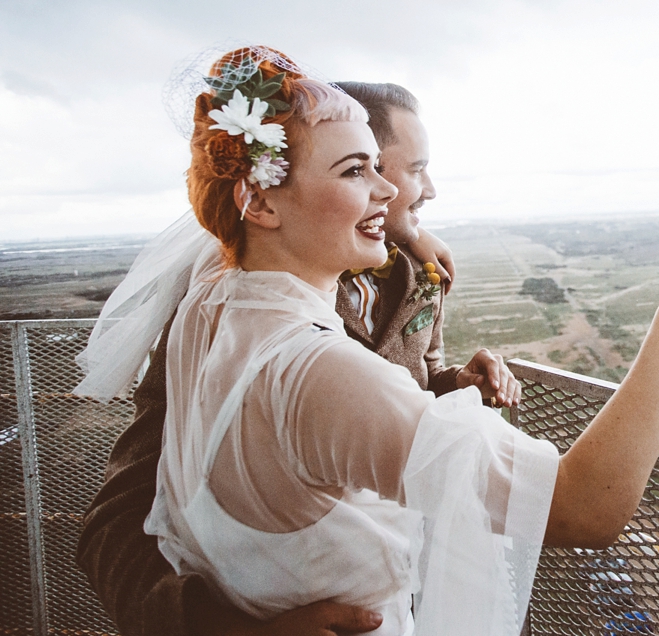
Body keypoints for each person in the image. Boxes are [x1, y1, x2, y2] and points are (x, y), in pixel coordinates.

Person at [76, 46, 659, 636]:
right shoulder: (315, 366)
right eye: (356, 170)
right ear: (257, 202)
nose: (397, 191)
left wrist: (432, 351)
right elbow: (585, 506)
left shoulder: (214, 291)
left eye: (384, 167)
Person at [76, 79, 515, 636]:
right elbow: (116, 520)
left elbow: (415, 383)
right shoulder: (229, 306)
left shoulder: (421, 279)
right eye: (411, 169)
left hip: (420, 585)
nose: (428, 189)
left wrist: (458, 384)